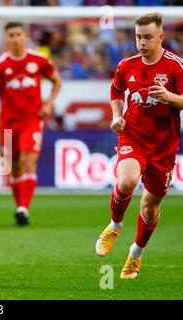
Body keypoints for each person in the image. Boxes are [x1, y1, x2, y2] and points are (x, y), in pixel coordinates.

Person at [95, 13, 183, 279]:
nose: (142, 43)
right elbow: (116, 91)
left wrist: (168, 97)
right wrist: (117, 116)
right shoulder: (126, 66)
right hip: (133, 136)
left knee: (149, 207)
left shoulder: (176, 67)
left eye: (147, 37)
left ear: (160, 38)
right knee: (127, 181)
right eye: (138, 37)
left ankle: (135, 254)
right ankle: (114, 225)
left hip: (164, 146)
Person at [0, 22, 62, 226]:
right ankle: (20, 207)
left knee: (29, 160)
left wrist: (48, 104)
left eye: (18, 34)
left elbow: (57, 81)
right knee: (15, 166)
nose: (15, 38)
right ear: (6, 38)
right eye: (11, 35)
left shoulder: (39, 60)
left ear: (24, 36)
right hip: (8, 122)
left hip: (31, 119)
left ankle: (24, 208)